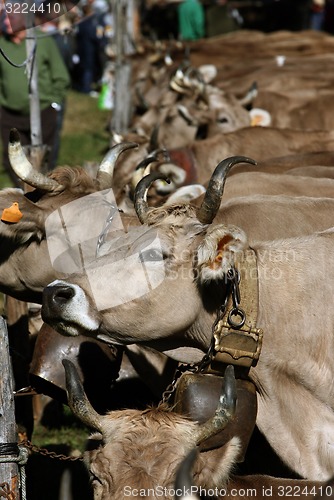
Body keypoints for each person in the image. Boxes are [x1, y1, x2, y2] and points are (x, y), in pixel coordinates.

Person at [0, 9, 70, 185]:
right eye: (4, 20)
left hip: (43, 112)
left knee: (42, 160)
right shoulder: (2, 44)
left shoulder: (43, 41)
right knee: (13, 160)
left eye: (10, 20)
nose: (6, 23)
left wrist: (54, 103)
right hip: (9, 115)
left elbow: (61, 76)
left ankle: (44, 198)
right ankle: (24, 196)